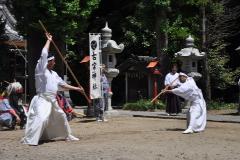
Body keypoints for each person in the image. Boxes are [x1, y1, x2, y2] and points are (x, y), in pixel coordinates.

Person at [21, 33, 84, 145]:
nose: (54, 63)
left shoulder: (53, 74)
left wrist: (77, 88)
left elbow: (62, 85)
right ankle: (31, 139)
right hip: (42, 99)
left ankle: (67, 135)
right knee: (41, 118)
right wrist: (49, 40)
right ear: (48, 62)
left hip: (52, 99)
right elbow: (44, 53)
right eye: (53, 61)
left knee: (61, 116)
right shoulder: (40, 70)